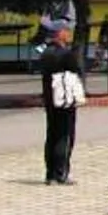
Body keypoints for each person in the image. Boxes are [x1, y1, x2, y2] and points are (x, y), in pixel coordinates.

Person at [36, 18, 82, 186]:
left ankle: (50, 174)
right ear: (59, 34)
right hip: (65, 98)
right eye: (66, 31)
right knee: (65, 135)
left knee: (52, 134)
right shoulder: (66, 54)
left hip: (50, 99)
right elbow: (76, 69)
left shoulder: (45, 52)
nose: (68, 34)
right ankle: (61, 172)